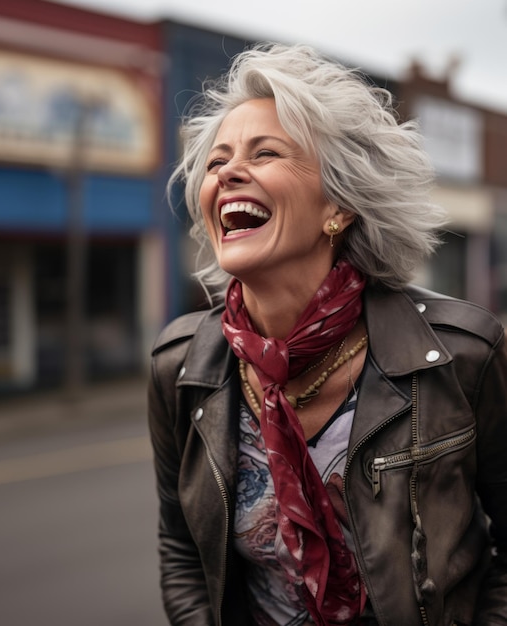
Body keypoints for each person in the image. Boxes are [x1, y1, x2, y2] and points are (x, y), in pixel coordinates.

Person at [147, 42, 507, 626]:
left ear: (337, 207)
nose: (228, 172)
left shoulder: (465, 354)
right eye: (216, 162)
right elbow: (184, 551)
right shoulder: (180, 365)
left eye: (265, 153)